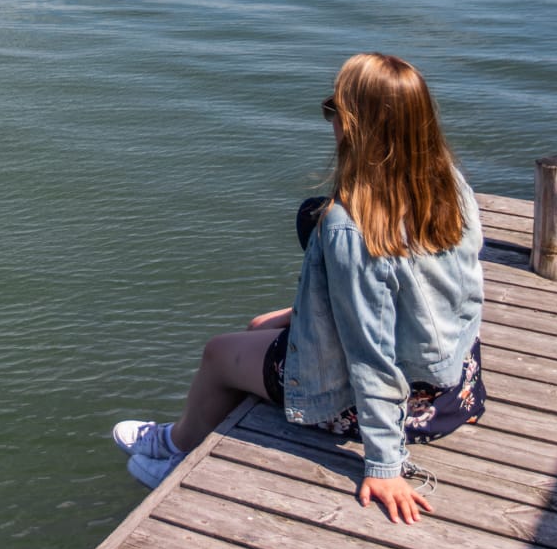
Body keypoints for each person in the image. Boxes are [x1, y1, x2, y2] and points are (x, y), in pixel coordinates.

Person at [112, 52, 486, 525]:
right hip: (457, 390)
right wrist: (299, 315)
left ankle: (173, 447)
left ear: (352, 127)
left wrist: (385, 465)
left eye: (334, 109)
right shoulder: (451, 186)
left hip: (400, 409)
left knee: (217, 354)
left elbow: (371, 355)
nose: (330, 118)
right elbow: (442, 294)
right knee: (260, 326)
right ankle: (183, 442)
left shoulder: (350, 226)